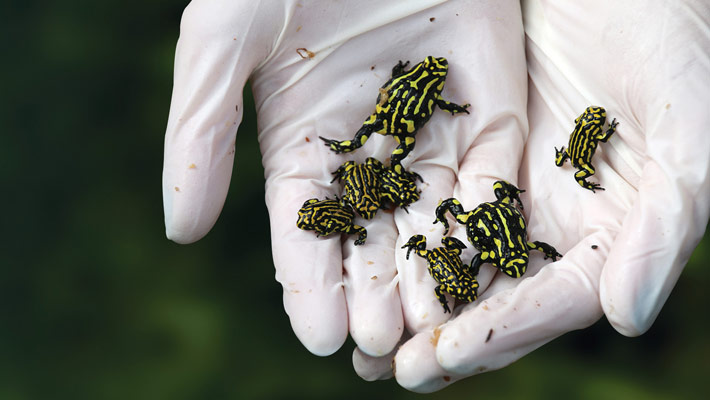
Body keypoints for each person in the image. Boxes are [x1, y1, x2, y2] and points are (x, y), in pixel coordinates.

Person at [162, 0, 710, 392]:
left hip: (446, 190)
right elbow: (423, 118)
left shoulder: (479, 212)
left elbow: (433, 116)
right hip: (416, 166)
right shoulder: (417, 121)